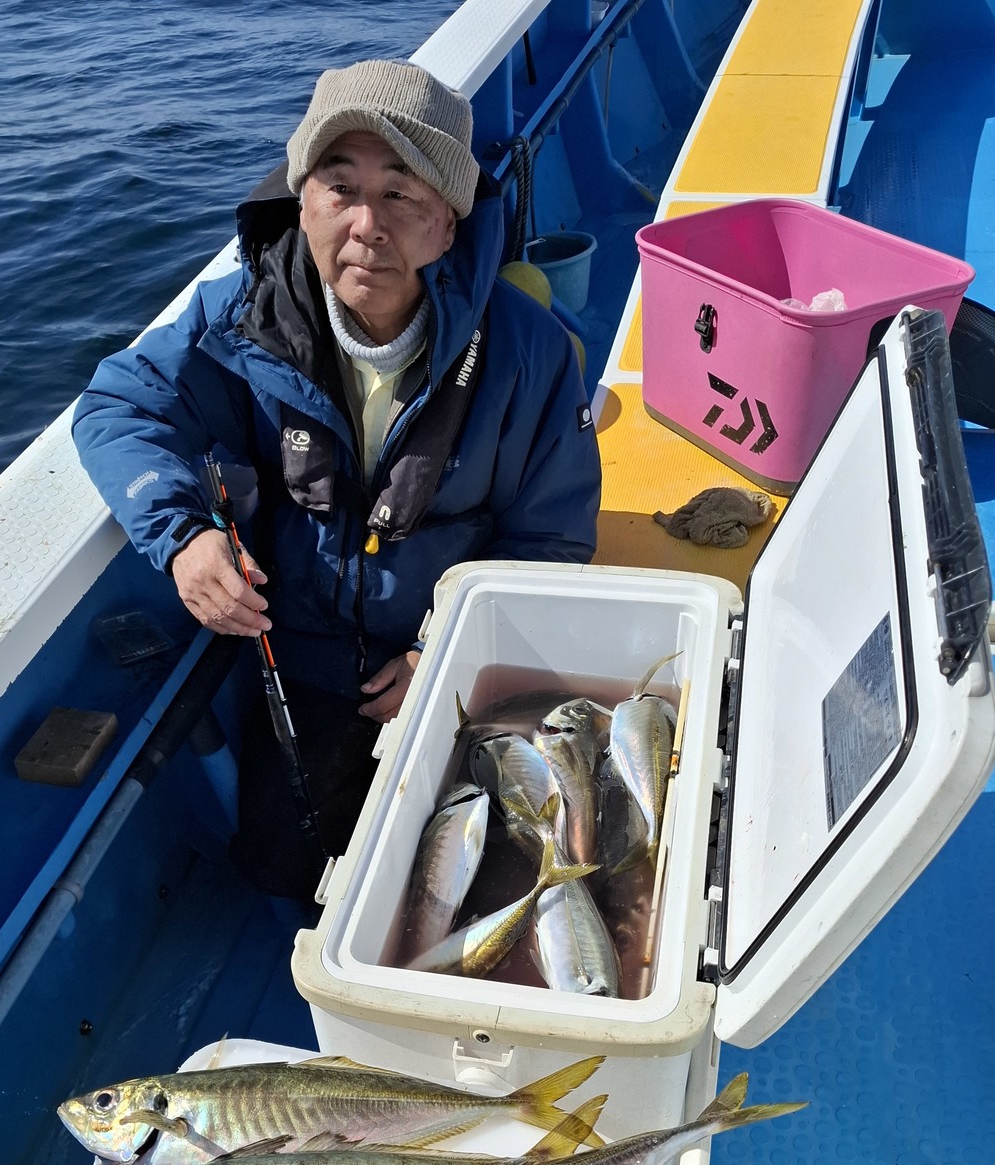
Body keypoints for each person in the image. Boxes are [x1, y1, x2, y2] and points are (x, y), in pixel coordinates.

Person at [73, 59, 602, 901]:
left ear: (449, 223)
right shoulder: (237, 318)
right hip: (304, 668)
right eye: (340, 186)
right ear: (302, 200)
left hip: (454, 665)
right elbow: (118, 405)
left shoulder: (528, 352)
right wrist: (182, 537)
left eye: (401, 193)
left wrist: (450, 655)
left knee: (500, 874)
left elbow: (553, 539)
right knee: (284, 873)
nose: (366, 225)